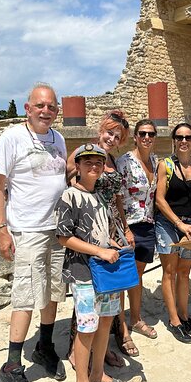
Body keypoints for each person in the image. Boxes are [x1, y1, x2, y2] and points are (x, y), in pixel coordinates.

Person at [0, 82, 68, 382]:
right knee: (24, 297)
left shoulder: (59, 139)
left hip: (56, 229)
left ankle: (44, 347)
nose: (46, 111)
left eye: (51, 106)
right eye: (40, 105)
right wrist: (1, 229)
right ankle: (10, 368)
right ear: (27, 107)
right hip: (27, 230)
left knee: (52, 292)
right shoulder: (12, 137)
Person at [56, 143, 131, 382]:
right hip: (83, 271)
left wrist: (111, 245)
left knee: (106, 321)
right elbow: (64, 237)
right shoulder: (69, 196)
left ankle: (98, 373)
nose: (93, 166)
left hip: (105, 270)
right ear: (76, 166)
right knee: (87, 326)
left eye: (98, 162)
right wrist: (99, 251)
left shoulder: (99, 196)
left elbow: (101, 231)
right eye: (87, 161)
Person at [66, 110, 138, 361]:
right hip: (89, 228)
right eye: (110, 133)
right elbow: (68, 183)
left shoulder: (114, 162)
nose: (112, 139)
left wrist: (125, 229)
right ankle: (77, 349)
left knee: (109, 286)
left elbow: (118, 198)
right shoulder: (83, 153)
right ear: (100, 131)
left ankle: (105, 345)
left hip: (111, 228)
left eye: (118, 136)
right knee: (87, 289)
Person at [155, 122, 191, 344]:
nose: (184, 141)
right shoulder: (165, 166)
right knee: (170, 271)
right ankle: (174, 320)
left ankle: (184, 315)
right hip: (169, 223)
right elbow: (159, 199)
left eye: (188, 137)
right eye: (179, 137)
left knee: (185, 272)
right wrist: (179, 224)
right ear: (173, 141)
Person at [117, 119, 159, 341]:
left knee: (138, 275)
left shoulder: (155, 161)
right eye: (142, 133)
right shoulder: (124, 162)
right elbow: (118, 198)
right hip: (129, 226)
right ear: (135, 136)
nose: (146, 137)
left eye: (151, 134)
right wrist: (125, 228)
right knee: (125, 275)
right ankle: (122, 326)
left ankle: (135, 318)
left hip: (148, 224)